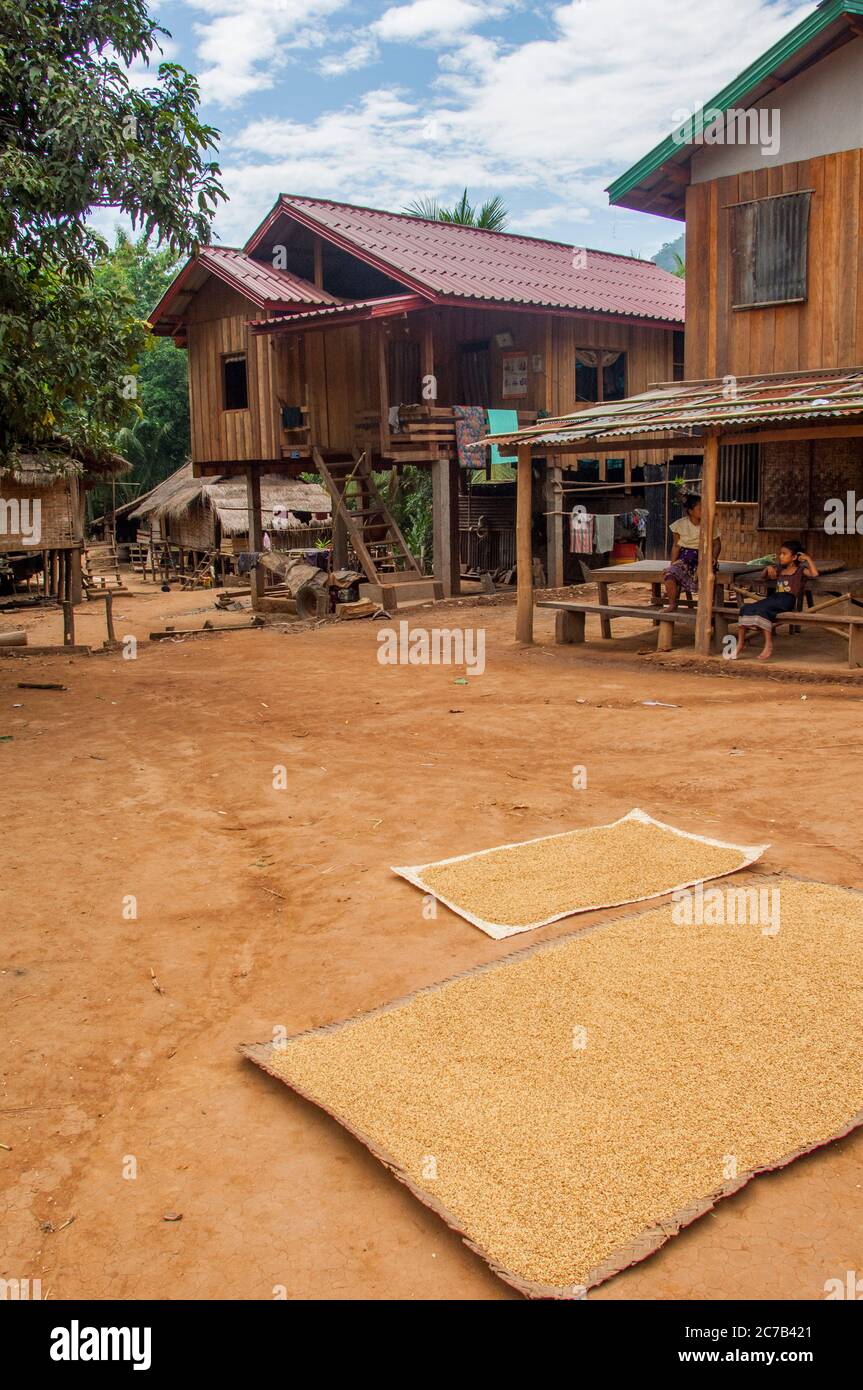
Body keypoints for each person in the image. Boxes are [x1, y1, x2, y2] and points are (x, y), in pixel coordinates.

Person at [733, 541, 819, 661]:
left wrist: (808, 558)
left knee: (763, 610)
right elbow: (763, 576)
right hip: (775, 598)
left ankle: (768, 645)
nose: (781, 556)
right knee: (745, 609)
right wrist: (768, 568)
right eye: (780, 553)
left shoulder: (800, 571)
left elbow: (815, 574)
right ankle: (740, 644)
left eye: (784, 554)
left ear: (794, 557)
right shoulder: (779, 569)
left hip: (787, 600)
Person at [664, 493, 721, 609]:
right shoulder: (679, 525)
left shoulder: (709, 525)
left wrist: (714, 557)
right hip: (685, 558)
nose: (703, 511)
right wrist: (672, 563)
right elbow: (676, 546)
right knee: (670, 574)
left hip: (705, 557)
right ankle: (672, 604)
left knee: (707, 578)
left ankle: (707, 608)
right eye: (700, 508)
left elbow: (717, 544)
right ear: (690, 511)